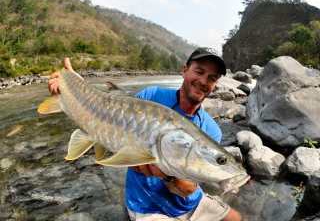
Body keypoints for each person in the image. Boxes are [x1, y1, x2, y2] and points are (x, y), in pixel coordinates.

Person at [48, 47, 243, 221]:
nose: (203, 81)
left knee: (236, 218)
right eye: (199, 72)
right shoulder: (151, 96)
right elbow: (112, 106)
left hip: (189, 203)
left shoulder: (212, 130)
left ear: (216, 84)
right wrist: (74, 85)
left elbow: (188, 188)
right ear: (185, 71)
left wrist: (168, 177)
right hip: (147, 205)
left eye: (212, 78)